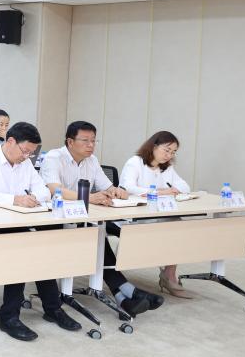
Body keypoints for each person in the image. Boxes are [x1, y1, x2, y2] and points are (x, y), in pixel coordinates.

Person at [0, 122, 82, 341]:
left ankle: (53, 309)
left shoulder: (26, 164)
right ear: (11, 141)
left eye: (31, 153)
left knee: (42, 247)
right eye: (25, 151)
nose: (27, 156)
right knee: (23, 250)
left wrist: (32, 198)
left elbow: (43, 191)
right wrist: (15, 199)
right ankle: (9, 317)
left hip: (18, 224)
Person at [41, 121, 163, 316]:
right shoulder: (54, 157)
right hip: (54, 219)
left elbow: (106, 186)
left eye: (94, 141)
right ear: (70, 142)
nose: (91, 145)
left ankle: (124, 296)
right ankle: (127, 292)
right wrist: (89, 197)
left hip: (84, 219)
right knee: (96, 235)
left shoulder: (92, 160)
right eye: (85, 140)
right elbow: (54, 189)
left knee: (99, 233)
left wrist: (115, 191)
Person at [120, 131, 192, 298]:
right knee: (173, 225)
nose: (169, 155)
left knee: (179, 225)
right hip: (134, 215)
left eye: (173, 152)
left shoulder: (167, 168)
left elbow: (185, 186)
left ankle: (169, 274)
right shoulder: (135, 162)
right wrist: (161, 191)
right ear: (153, 146)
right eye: (167, 150)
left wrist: (168, 190)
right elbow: (128, 187)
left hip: (159, 214)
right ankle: (167, 276)